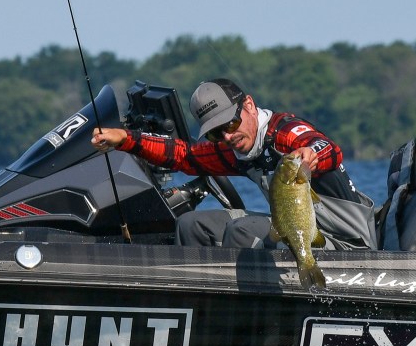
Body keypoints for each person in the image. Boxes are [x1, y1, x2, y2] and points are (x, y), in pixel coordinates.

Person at [91, 78, 377, 250]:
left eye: (230, 123)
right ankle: (200, 314)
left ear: (249, 105)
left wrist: (309, 154)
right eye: (217, 133)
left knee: (243, 231)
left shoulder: (285, 134)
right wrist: (125, 139)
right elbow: (185, 156)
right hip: (296, 230)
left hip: (347, 244)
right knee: (192, 225)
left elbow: (329, 149)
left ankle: (250, 320)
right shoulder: (240, 148)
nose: (228, 136)